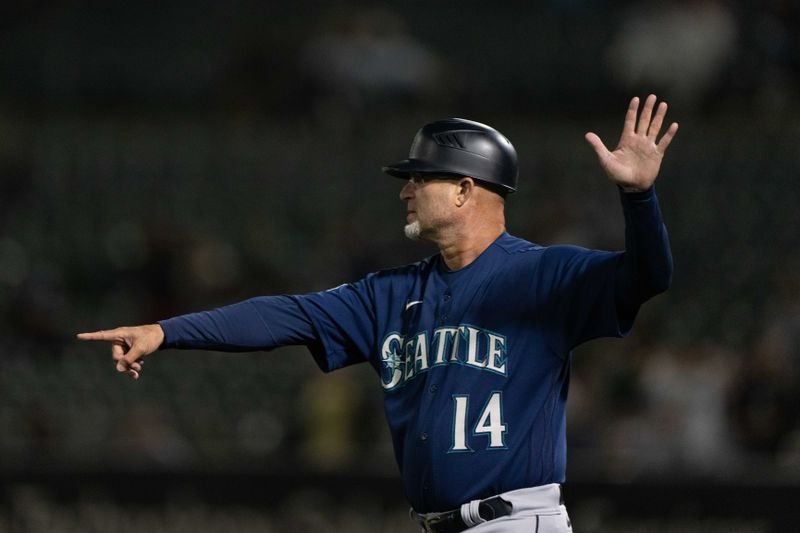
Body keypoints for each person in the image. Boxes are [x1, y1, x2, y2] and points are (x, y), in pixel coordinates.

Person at [78, 94, 678, 532]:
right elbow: (284, 316)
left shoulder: (546, 275)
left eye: (420, 178)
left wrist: (639, 195)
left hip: (516, 523)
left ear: (467, 190)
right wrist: (167, 331)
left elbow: (647, 278)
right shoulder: (390, 295)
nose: (405, 190)